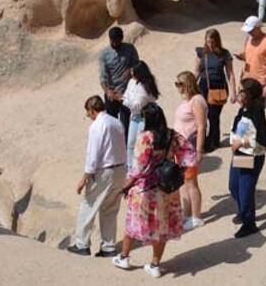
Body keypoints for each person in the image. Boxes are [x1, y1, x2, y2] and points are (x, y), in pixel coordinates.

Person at [112, 103, 185, 278]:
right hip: (167, 188)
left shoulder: (145, 138)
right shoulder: (172, 135)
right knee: (162, 226)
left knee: (132, 224)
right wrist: (176, 168)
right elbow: (187, 154)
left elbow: (139, 168)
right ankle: (155, 265)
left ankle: (124, 257)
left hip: (145, 190)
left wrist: (127, 185)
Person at [67, 95, 127, 257]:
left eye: (89, 114)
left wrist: (85, 177)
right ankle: (108, 247)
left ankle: (81, 244)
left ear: (92, 111)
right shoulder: (117, 122)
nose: (89, 118)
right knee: (110, 209)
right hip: (121, 169)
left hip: (104, 171)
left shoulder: (97, 126)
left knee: (88, 206)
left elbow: (93, 154)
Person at [228, 78, 266, 238]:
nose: (238, 94)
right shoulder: (243, 110)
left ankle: (249, 223)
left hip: (251, 156)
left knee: (245, 190)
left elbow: (260, 138)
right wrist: (235, 141)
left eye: (241, 92)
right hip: (240, 154)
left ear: (249, 95)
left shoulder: (257, 111)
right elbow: (238, 129)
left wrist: (240, 142)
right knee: (234, 186)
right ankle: (243, 211)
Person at [172, 71, 207, 231]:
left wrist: (199, 150)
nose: (177, 87)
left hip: (190, 147)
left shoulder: (197, 101)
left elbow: (201, 126)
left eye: (179, 83)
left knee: (191, 182)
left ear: (187, 84)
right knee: (184, 182)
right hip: (180, 147)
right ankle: (187, 215)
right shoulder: (187, 101)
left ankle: (196, 217)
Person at [110, 61, 159, 171]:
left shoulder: (145, 87)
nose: (131, 74)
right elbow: (127, 95)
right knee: (130, 143)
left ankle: (142, 168)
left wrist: (121, 100)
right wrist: (122, 98)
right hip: (135, 117)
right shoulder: (132, 82)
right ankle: (129, 168)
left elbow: (136, 105)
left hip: (144, 118)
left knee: (141, 144)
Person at [194, 29, 236, 152]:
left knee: (213, 115)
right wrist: (190, 85)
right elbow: (196, 71)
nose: (210, 45)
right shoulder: (201, 53)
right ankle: (206, 139)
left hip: (219, 88)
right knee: (202, 115)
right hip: (203, 87)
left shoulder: (224, 54)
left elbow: (230, 74)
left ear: (217, 41)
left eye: (213, 42)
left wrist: (233, 92)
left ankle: (213, 141)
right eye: (208, 42)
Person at [99, 26, 140, 139]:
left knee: (126, 123)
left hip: (127, 93)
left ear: (122, 39)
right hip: (112, 94)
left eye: (118, 41)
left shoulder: (130, 49)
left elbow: (138, 66)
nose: (116, 43)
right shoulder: (104, 54)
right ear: (110, 39)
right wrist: (108, 91)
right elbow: (103, 77)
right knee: (111, 124)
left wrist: (130, 71)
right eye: (113, 41)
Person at [236, 16, 266, 99]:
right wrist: (242, 57)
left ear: (258, 28)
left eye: (251, 31)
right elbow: (248, 58)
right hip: (246, 81)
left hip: (260, 84)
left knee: (257, 110)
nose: (249, 33)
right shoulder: (248, 39)